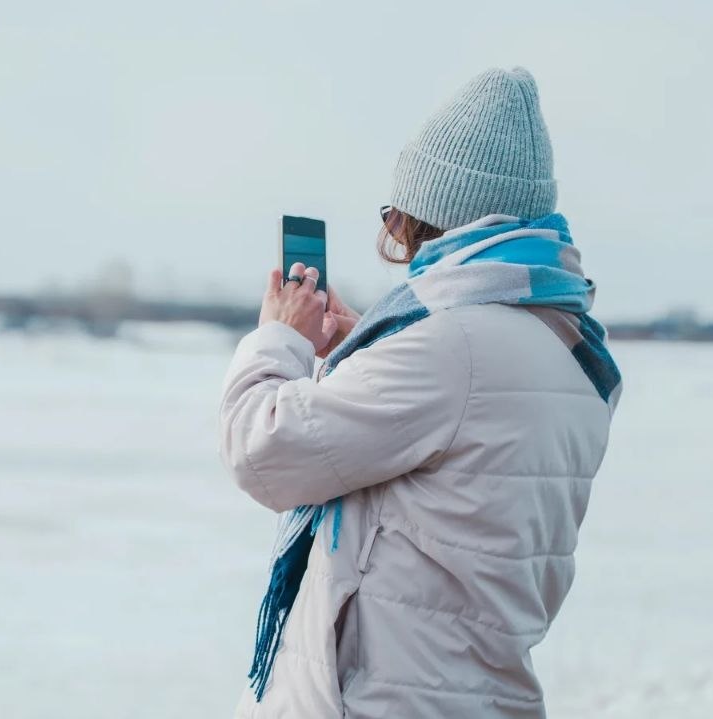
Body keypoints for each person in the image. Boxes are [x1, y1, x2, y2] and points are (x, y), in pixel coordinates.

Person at [218, 67, 622, 718]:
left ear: (431, 215)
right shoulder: (568, 345)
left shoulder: (450, 349)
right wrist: (368, 350)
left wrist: (280, 338)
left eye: (396, 214)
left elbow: (263, 448)